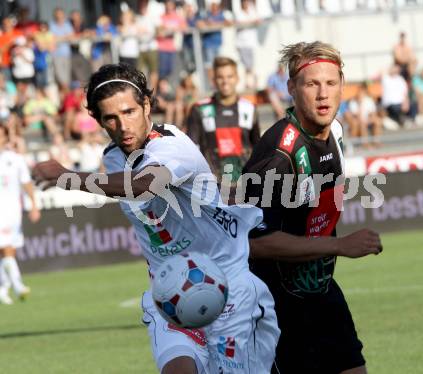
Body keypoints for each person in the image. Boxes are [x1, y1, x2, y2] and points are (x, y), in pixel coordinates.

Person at [32, 63, 279, 374]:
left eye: (130, 112)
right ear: (97, 120)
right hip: (171, 292)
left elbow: (144, 185)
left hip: (227, 289)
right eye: (111, 117)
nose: (123, 126)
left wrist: (68, 177)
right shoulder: (113, 156)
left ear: (147, 105)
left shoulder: (171, 145)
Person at [242, 41, 383, 374]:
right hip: (276, 304)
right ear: (291, 88)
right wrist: (339, 245)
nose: (323, 94)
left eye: (331, 83)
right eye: (311, 84)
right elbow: (255, 242)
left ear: (342, 86)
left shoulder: (335, 131)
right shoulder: (278, 154)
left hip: (320, 288)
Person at [186, 56, 260, 183]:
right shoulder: (199, 110)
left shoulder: (249, 109)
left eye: (230, 76)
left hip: (245, 186)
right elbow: (191, 150)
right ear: (214, 80)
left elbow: (258, 149)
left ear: (237, 78)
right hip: (212, 186)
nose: (225, 81)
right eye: (220, 77)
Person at [0, 125, 40, 305]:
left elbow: (26, 183)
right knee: (7, 249)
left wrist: (34, 205)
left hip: (13, 212)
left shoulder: (15, 159)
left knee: (8, 251)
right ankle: (17, 286)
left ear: (6, 138)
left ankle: (3, 288)